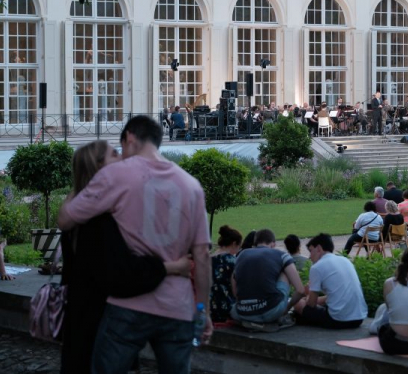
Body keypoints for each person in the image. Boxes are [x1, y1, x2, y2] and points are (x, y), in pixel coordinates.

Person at [58, 115, 212, 374]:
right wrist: (203, 309)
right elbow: (203, 256)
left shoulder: (116, 175)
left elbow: (65, 219)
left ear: (130, 138)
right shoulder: (191, 185)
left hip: (129, 304)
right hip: (178, 304)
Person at [231, 229, 306, 326]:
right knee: (285, 272)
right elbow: (300, 290)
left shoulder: (241, 255)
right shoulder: (282, 255)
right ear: (273, 244)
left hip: (242, 313)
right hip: (270, 312)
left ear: (255, 243)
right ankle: (276, 315)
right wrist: (286, 308)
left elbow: (234, 281)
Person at [293, 233, 367, 329]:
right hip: (358, 319)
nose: (310, 256)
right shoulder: (345, 261)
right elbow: (337, 294)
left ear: (319, 248)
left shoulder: (317, 267)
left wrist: (305, 299)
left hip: (337, 320)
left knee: (299, 304)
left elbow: (311, 304)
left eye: (311, 251)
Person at [211, 225, 242, 324]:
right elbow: (236, 289)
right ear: (234, 244)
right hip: (226, 308)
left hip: (208, 308)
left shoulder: (207, 259)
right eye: (239, 247)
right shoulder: (233, 261)